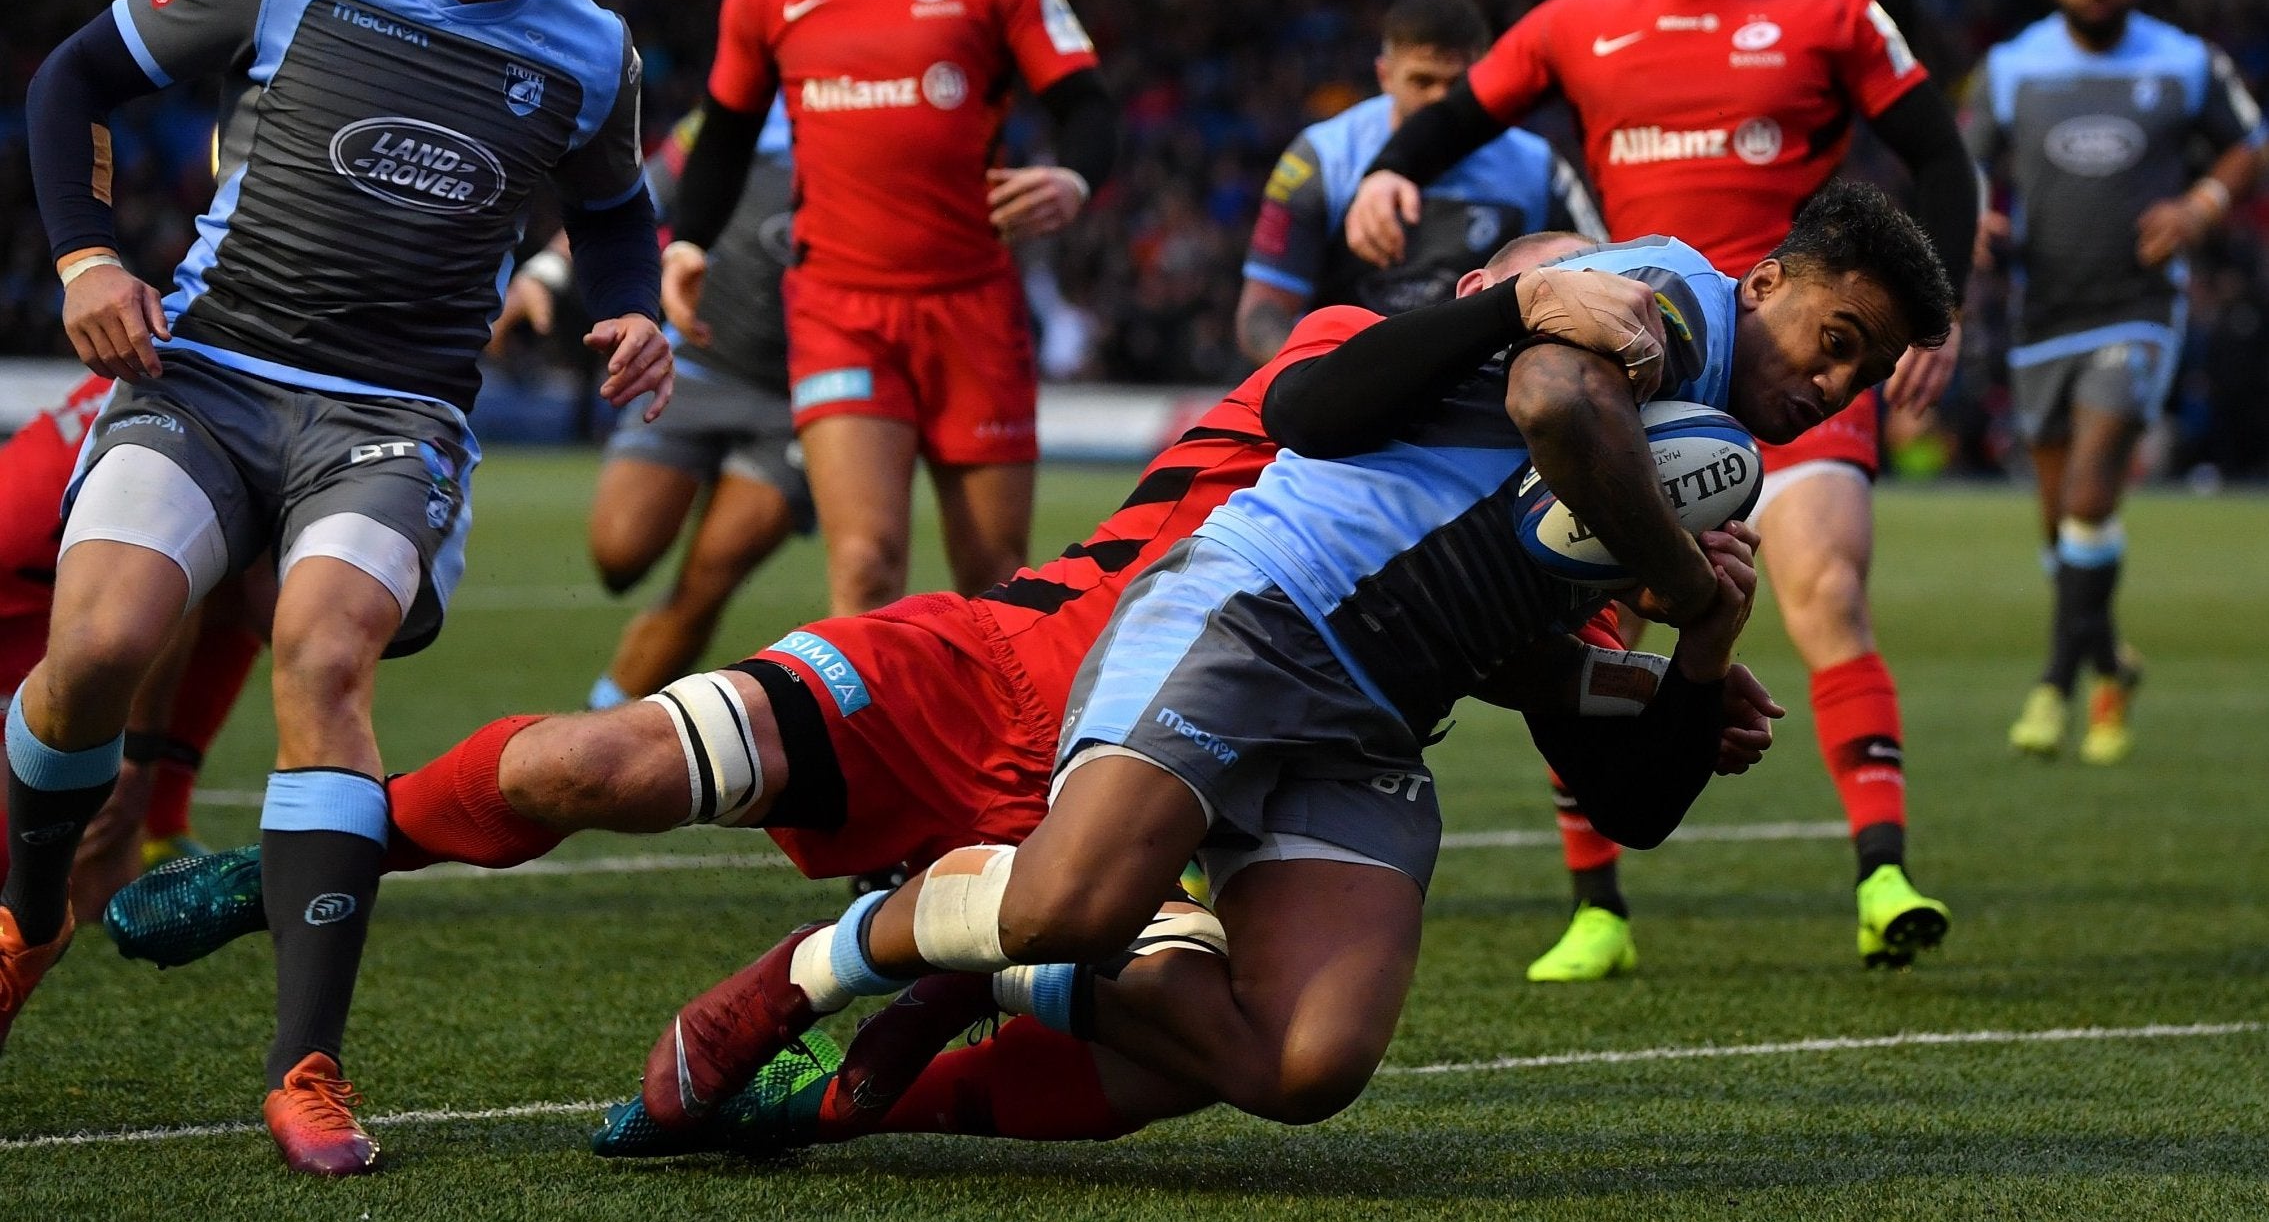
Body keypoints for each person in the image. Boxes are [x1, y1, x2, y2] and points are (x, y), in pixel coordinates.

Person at [635, 185, 1957, 1141]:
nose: (1836, 382)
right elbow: (1553, 401)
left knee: (1304, 1065)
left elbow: (1607, 771)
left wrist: (1699, 650)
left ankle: (983, 978)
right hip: (1262, 611)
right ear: (1767, 280)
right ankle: (816, 971)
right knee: (1069, 903)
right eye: (1834, 337)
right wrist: (1674, 579)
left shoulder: (1712, 454)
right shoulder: (1668, 304)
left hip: (1373, 721)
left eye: (1870, 370)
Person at [106, 251, 1669, 979]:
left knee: (1189, 1026)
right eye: (1546, 286)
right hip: (994, 666)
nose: (1573, 319)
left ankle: (807, 1049)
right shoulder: (1364, 358)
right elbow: (1351, 396)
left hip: (1174, 804)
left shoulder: (1542, 531)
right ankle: (331, 843)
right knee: (596, 768)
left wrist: (1678, 661)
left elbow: (1584, 732)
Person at [2, 0, 670, 1177]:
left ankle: (307, 1065)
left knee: (324, 654)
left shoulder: (592, 47)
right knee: (101, 643)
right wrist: (83, 260)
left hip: (393, 417)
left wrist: (631, 313)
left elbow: (617, 212)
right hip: (210, 378)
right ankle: (27, 905)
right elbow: (70, 83)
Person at [1345, 0, 1981, 977]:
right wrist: (1384, 174)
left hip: (1796, 366)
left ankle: (1881, 869)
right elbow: (1459, 115)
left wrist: (1938, 310)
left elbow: (1941, 152)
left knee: (1826, 589)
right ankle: (1597, 904)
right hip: (1635, 373)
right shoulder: (1575, 22)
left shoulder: (1830, 11)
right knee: (1583, 617)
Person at [669, 0, 1119, 616]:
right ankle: (867, 758)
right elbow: (721, 136)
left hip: (972, 308)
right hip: (840, 310)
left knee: (995, 575)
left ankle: (997, 757)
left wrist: (1072, 179)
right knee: (867, 565)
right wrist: (686, 242)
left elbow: (1089, 106)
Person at [1968, 0, 2263, 763]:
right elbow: (1965, 159)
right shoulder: (2012, 67)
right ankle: (2109, 662)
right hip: (2041, 311)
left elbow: (2248, 144)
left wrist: (2201, 205)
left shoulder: (2181, 61)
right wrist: (1975, 217)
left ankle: (2054, 684)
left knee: (2093, 496)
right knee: (2061, 525)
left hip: (2137, 305)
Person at [581, 100, 814, 708]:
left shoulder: (887, 107)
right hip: (699, 367)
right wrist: (552, 270)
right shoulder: (739, 110)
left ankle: (605, 730)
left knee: (710, 575)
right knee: (619, 554)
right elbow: (635, 196)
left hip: (809, 390)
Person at [0, 374, 262, 909]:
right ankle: (136, 829)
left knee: (232, 581)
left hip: (54, 580)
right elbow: (159, 587)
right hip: (26, 596)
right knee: (42, 866)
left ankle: (157, 830)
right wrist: (134, 766)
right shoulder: (246, 396)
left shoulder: (213, 350)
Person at [1235, 0, 1602, 363]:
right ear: (1385, 75)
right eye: (1422, 81)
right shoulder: (1320, 158)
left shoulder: (1537, 166)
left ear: (1488, 77)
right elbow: (1262, 312)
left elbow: (1599, 279)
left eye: (1457, 83)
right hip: (1349, 379)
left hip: (1483, 386)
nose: (1440, 99)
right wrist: (1316, 379)